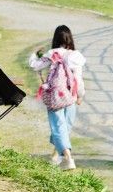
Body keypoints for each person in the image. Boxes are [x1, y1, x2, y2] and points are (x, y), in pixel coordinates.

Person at [28, 25, 86, 171]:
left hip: (56, 96)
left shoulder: (52, 53)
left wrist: (34, 53)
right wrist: (80, 95)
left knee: (58, 127)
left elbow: (34, 66)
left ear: (55, 39)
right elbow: (78, 79)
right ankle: (55, 156)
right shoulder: (75, 56)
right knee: (65, 126)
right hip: (70, 96)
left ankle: (67, 157)